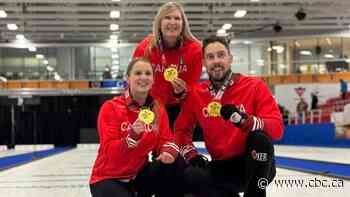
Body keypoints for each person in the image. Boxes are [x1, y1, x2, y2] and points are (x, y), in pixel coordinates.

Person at [174, 36, 284, 197]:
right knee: (191, 176)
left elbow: (277, 129)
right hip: (222, 166)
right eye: (210, 57)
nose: (216, 61)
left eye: (221, 55)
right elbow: (181, 130)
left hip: (254, 164)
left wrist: (245, 121)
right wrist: (191, 154)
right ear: (204, 62)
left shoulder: (254, 86)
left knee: (260, 139)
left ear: (230, 59)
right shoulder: (196, 93)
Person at [89, 58, 185, 197]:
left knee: (176, 163)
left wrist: (168, 152)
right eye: (138, 73)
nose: (143, 77)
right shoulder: (111, 108)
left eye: (148, 73)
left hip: (139, 177)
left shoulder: (157, 108)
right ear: (128, 78)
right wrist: (131, 137)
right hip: (109, 178)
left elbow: (165, 139)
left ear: (153, 79)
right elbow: (109, 151)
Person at [133, 2, 202, 129]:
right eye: (167, 17)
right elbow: (133, 80)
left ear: (183, 24)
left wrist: (181, 92)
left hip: (180, 108)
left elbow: (193, 88)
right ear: (159, 23)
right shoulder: (145, 48)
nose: (172, 22)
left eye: (177, 18)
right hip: (151, 107)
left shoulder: (195, 50)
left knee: (177, 147)